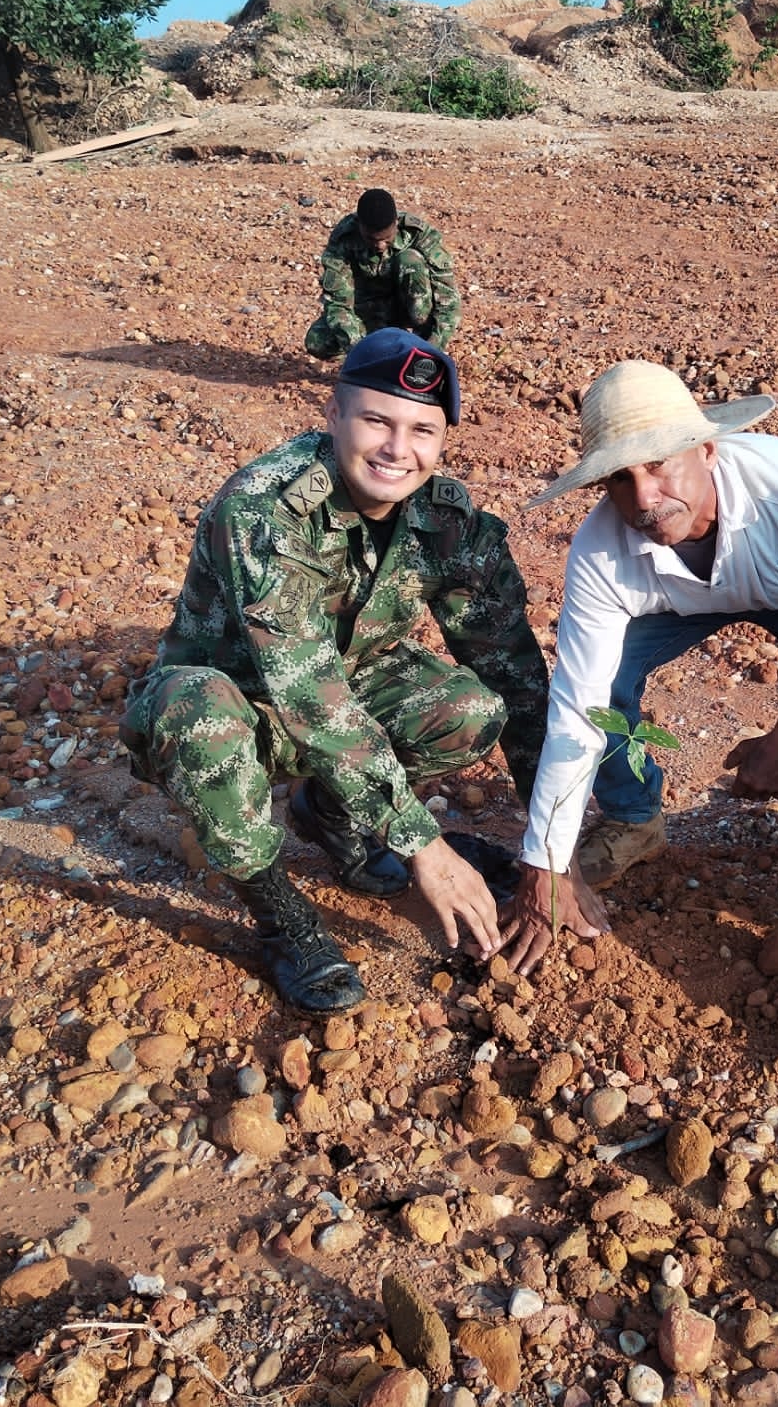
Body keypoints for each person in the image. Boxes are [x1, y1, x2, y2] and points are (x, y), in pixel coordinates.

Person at [120, 328, 547, 1016]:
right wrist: (421, 844)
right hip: (246, 705)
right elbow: (304, 693)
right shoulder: (265, 508)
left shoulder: (446, 522)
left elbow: (517, 677)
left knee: (471, 708)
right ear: (334, 416)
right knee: (197, 715)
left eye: (421, 430)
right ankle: (281, 915)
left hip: (344, 694)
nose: (396, 449)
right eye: (376, 420)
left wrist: (549, 851)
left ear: (441, 442)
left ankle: (333, 817)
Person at [501, 359, 778, 975]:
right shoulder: (602, 551)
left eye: (657, 464)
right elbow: (577, 707)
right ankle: (634, 820)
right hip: (681, 599)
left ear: (706, 449)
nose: (643, 498)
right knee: (608, 684)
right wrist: (547, 863)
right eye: (619, 479)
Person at [303, 189, 461, 361]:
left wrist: (432, 349)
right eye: (371, 239)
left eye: (386, 238)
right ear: (359, 225)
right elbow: (338, 305)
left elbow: (447, 298)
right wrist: (360, 353)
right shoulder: (344, 239)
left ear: (396, 222)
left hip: (408, 307)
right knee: (317, 342)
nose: (380, 245)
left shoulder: (419, 235)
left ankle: (416, 349)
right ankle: (378, 351)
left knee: (410, 260)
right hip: (367, 311)